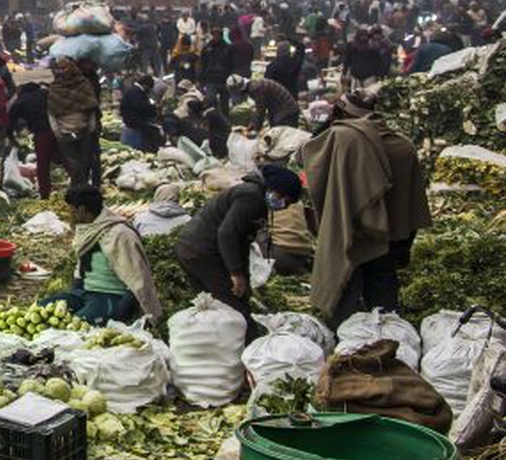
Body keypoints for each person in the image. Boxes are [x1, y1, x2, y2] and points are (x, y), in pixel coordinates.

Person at [308, 93, 429, 323]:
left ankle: (347, 340)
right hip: (391, 235)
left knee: (346, 288)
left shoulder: (342, 139)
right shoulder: (403, 145)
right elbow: (411, 200)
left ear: (343, 113)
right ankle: (385, 337)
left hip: (352, 229)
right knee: (383, 293)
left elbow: (312, 164)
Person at [176, 164, 301, 335]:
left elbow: (242, 241)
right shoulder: (251, 196)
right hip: (202, 251)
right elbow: (227, 234)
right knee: (235, 309)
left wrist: (244, 278)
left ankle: (218, 348)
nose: (283, 204)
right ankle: (249, 350)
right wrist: (236, 273)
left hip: (194, 248)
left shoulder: (256, 198)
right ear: (274, 188)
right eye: (283, 198)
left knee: (214, 307)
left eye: (288, 203)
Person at [51, 186, 162, 325]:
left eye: (71, 210)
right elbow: (81, 268)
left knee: (77, 324)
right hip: (85, 293)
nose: (70, 214)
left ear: (82, 210)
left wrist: (122, 311)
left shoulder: (120, 234)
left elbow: (138, 278)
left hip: (110, 297)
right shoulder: (87, 230)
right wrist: (74, 292)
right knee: (44, 309)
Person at [49, 57, 103, 189]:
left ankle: (86, 191)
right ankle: (78, 191)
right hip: (65, 133)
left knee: (85, 163)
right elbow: (51, 113)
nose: (63, 71)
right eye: (60, 68)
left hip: (84, 130)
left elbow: (91, 109)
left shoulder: (83, 84)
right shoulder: (55, 88)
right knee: (74, 166)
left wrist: (91, 127)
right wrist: (57, 132)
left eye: (65, 68)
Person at [230, 75, 299, 129]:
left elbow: (260, 112)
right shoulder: (254, 84)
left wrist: (254, 129)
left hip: (287, 112)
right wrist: (253, 124)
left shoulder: (255, 89)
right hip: (286, 110)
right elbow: (260, 109)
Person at [119, 74, 162, 154]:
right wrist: (153, 108)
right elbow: (141, 106)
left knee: (154, 129)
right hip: (134, 121)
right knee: (154, 131)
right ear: (145, 85)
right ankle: (150, 150)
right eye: (149, 88)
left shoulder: (134, 90)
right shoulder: (135, 92)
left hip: (133, 119)